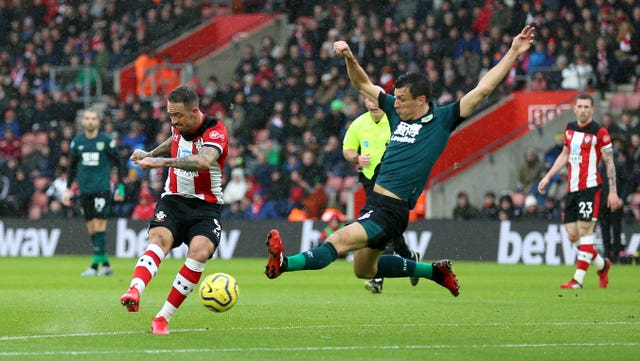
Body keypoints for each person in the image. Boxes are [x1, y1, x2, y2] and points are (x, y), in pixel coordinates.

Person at [264, 25, 537, 298]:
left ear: (421, 100)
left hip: (391, 210)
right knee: (364, 270)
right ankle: (435, 272)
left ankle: (284, 264)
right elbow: (362, 84)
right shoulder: (396, 115)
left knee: (338, 241)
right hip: (376, 203)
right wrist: (349, 57)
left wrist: (513, 51)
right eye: (395, 98)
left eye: (402, 100)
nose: (395, 105)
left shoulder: (442, 121)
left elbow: (483, 89)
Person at [119, 86, 229, 335]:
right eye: (171, 116)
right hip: (174, 201)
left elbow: (203, 161)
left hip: (206, 206)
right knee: (159, 239)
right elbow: (175, 142)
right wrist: (151, 153)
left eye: (178, 116)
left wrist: (161, 163)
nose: (174, 121)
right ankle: (135, 289)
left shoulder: (216, 130)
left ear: (195, 111)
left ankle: (162, 318)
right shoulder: (179, 126)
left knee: (199, 253)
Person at [537, 93, 622, 289]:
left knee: (585, 232)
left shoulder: (600, 132)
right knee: (573, 235)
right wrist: (548, 176)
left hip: (590, 187)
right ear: (574, 109)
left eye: (586, 107)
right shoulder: (569, 129)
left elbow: (609, 162)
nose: (583, 110)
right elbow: (565, 155)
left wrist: (613, 191)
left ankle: (577, 280)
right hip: (572, 188)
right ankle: (602, 265)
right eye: (580, 106)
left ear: (592, 110)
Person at [342, 85, 420, 294]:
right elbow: (347, 149)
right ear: (364, 101)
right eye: (369, 100)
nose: (374, 104)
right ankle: (411, 260)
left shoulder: (396, 120)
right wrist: (356, 158)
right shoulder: (358, 124)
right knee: (389, 229)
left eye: (377, 99)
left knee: (376, 227)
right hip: (370, 182)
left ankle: (377, 278)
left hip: (393, 182)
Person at [62, 109, 125, 277]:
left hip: (102, 189)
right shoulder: (77, 142)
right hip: (85, 190)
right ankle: (105, 264)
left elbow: (119, 163)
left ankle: (94, 266)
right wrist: (68, 188)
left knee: (99, 225)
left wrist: (120, 186)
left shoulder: (105, 141)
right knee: (91, 229)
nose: (90, 121)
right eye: (87, 118)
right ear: (83, 122)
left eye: (93, 119)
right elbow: (71, 167)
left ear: (98, 122)